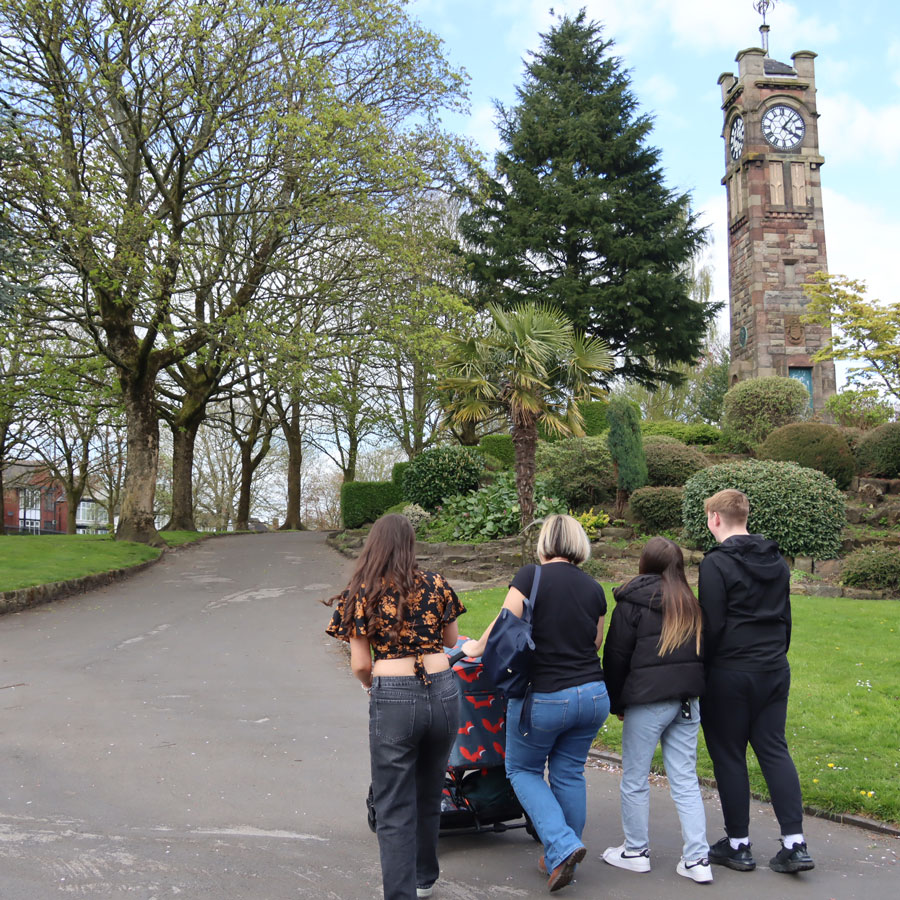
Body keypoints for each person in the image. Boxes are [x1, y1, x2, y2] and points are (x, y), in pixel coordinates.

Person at [462, 514, 609, 894]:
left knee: (523, 770)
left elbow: (504, 621)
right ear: (579, 544)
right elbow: (595, 643)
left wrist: (473, 648)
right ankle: (561, 853)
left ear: (544, 542)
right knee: (570, 773)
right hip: (593, 694)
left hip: (544, 695)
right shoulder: (595, 588)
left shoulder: (532, 576)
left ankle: (563, 847)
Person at [324, 514, 465, 900]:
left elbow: (360, 665)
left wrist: (375, 688)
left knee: (393, 800)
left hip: (394, 692)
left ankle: (401, 893)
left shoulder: (362, 589)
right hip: (443, 690)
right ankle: (424, 878)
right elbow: (451, 639)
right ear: (410, 545)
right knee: (429, 788)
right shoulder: (436, 583)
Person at [698, 489, 815, 874]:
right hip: (772, 668)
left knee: (729, 754)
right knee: (773, 749)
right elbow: (786, 617)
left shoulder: (715, 565)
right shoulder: (777, 561)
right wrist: (775, 655)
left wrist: (704, 669)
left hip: (730, 671)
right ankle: (794, 843)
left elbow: (711, 625)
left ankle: (738, 843)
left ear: (715, 518)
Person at [601, 536, 711, 883]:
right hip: (686, 701)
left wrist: (616, 703)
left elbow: (615, 658)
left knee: (635, 778)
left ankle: (636, 851)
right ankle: (698, 859)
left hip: (647, 701)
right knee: (685, 779)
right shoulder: (691, 603)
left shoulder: (630, 603)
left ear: (644, 563)